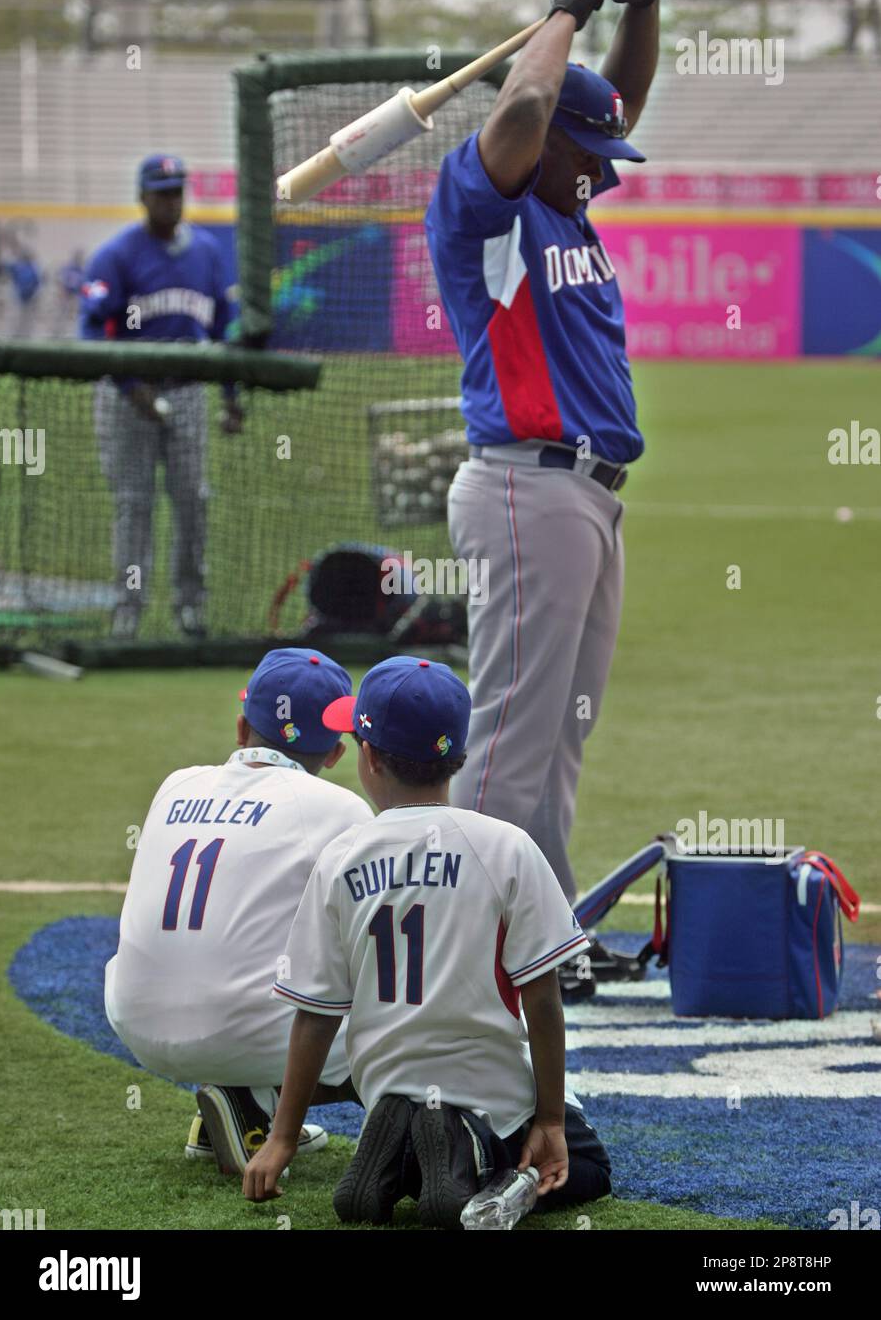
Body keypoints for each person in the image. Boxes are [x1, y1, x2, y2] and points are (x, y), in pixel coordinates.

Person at [423, 0, 662, 996]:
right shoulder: (486, 204)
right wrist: (559, 11)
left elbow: (606, 99)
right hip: (526, 483)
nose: (605, 166)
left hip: (586, 495)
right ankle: (466, 943)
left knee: (556, 741)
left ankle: (544, 929)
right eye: (592, 147)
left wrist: (638, 5)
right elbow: (527, 104)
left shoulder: (563, 198)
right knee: (512, 733)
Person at [242, 656, 612, 1228]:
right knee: (586, 1166)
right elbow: (542, 1000)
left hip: (385, 1086)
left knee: (412, 1122)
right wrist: (552, 1123)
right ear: (458, 756)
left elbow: (315, 1016)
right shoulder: (507, 847)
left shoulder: (341, 856)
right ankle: (475, 1152)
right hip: (492, 1095)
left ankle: (408, 1153)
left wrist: (282, 1139)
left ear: (367, 757)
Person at [104, 647, 374, 1176]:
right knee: (393, 980)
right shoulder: (338, 808)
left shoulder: (174, 784)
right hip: (252, 1034)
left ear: (240, 727)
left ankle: (242, 1104)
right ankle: (263, 1098)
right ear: (338, 753)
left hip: (136, 1024)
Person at [79, 153, 242, 640]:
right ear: (142, 197)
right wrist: (130, 387)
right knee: (134, 503)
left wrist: (231, 397)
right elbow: (91, 329)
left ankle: (190, 608)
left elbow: (222, 329)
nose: (172, 201)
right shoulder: (116, 255)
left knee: (193, 500)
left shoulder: (207, 253)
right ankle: (127, 609)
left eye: (177, 191)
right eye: (162, 192)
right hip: (128, 399)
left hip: (188, 393)